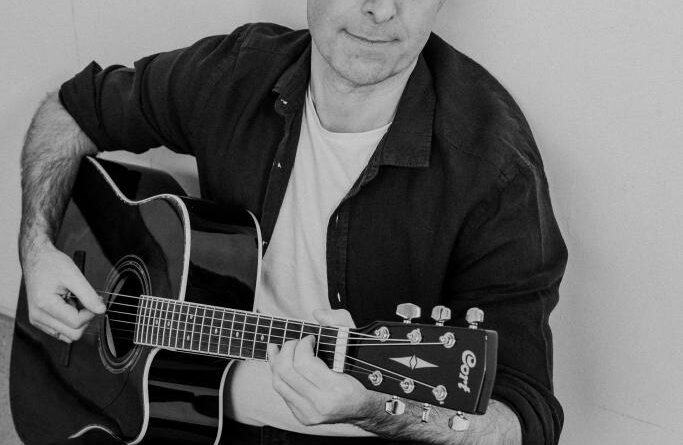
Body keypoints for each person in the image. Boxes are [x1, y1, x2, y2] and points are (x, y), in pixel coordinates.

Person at [18, 1, 567, 444]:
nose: (381, 9)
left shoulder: (492, 167)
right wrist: (38, 249)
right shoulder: (238, 73)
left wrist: (374, 408)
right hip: (177, 407)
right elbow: (71, 110)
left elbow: (525, 420)